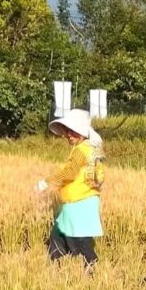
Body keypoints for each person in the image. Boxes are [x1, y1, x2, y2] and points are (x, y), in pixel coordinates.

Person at [37, 109, 105, 268]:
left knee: (78, 240)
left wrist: (46, 183)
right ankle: (55, 267)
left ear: (82, 132)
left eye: (72, 130)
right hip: (77, 203)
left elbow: (69, 173)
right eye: (67, 130)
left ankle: (90, 268)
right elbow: (99, 175)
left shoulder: (82, 150)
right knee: (58, 234)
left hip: (79, 204)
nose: (68, 134)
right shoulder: (90, 149)